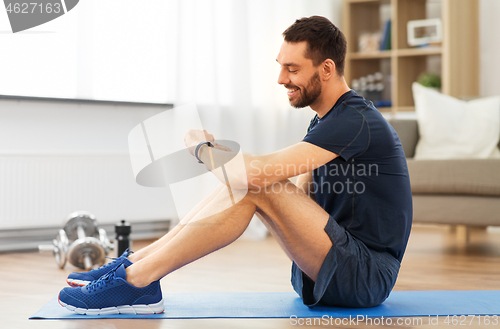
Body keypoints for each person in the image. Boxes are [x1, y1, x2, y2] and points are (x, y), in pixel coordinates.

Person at [58, 16, 412, 315]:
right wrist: (244, 182)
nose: (281, 79)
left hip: (364, 275)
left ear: (327, 69)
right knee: (248, 183)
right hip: (332, 266)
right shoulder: (327, 121)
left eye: (293, 69)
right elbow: (302, 197)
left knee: (254, 182)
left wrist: (203, 150)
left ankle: (137, 282)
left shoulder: (355, 120)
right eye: (280, 67)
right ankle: (133, 269)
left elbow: (255, 177)